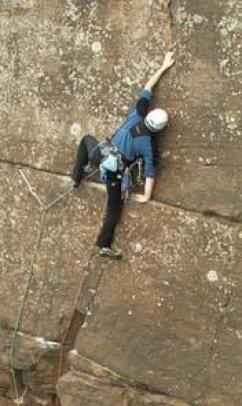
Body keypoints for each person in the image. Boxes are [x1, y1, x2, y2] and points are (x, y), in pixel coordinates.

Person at [70, 52, 176, 259]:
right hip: (114, 176)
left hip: (99, 154)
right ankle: (104, 245)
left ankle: (76, 177)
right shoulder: (149, 145)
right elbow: (150, 172)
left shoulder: (137, 113)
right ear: (160, 129)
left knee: (85, 140)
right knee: (113, 208)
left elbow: (148, 87)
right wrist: (146, 196)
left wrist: (163, 65)